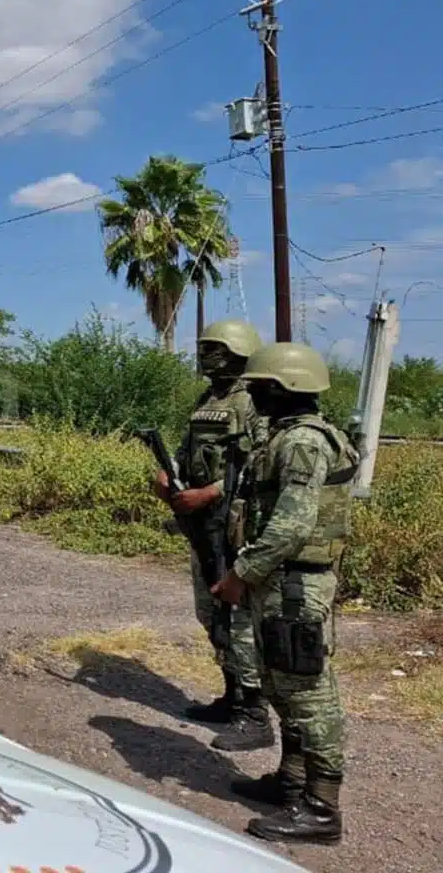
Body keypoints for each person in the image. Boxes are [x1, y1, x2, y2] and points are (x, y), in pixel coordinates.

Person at [211, 342, 358, 845]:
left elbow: (291, 526)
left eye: (258, 386)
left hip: (294, 582)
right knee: (282, 687)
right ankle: (293, 784)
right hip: (281, 579)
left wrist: (240, 575)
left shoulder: (303, 442)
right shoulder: (286, 436)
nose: (251, 394)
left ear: (282, 388)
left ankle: (321, 808)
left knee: (309, 694)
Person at [157, 318, 272, 752]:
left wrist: (209, 493)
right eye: (204, 348)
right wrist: (172, 480)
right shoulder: (209, 399)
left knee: (238, 620)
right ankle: (231, 695)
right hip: (204, 525)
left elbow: (258, 467)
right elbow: (189, 455)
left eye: (215, 348)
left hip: (234, 525)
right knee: (210, 614)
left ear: (239, 351)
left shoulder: (252, 402)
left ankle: (254, 714)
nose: (206, 356)